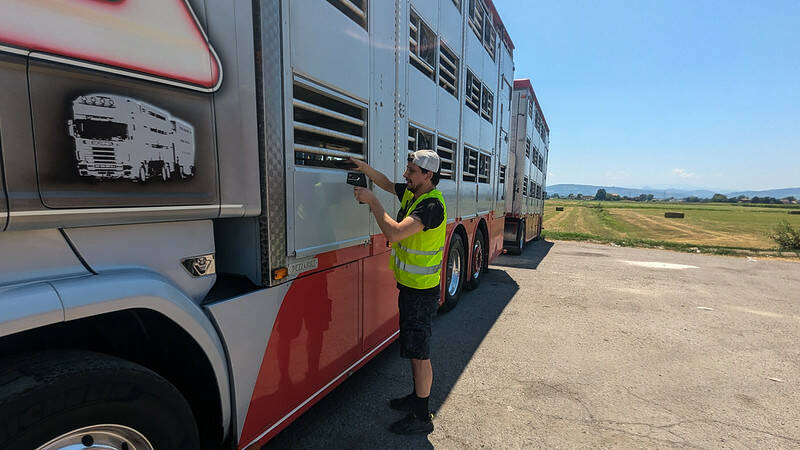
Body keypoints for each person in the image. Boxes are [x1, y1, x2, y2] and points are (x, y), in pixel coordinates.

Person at [350, 150, 446, 435]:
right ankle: (416, 399)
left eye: (412, 171)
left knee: (419, 354)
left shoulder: (430, 206)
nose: (405, 175)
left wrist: (373, 202)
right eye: (407, 169)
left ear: (428, 175)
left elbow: (393, 233)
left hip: (421, 293)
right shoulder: (413, 193)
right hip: (410, 288)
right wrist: (364, 168)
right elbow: (386, 183)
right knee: (413, 350)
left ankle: (422, 416)